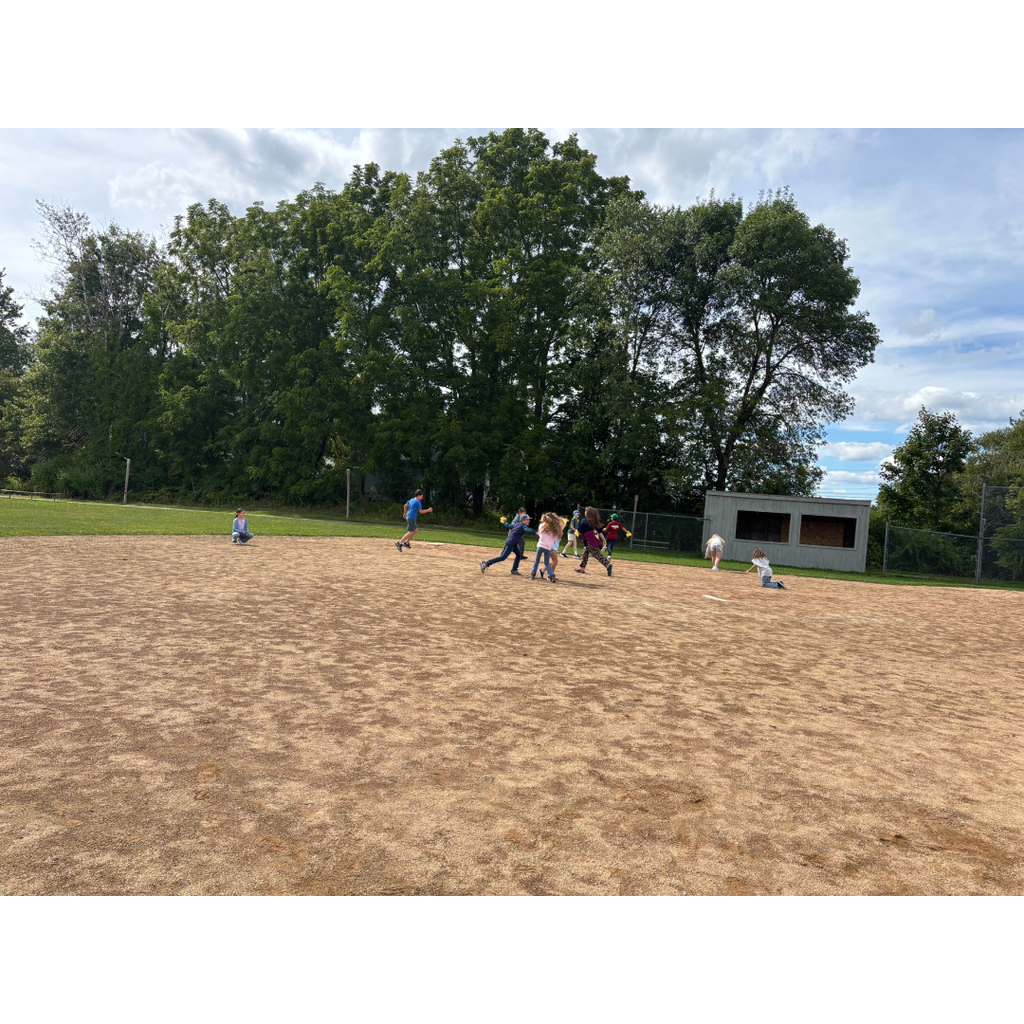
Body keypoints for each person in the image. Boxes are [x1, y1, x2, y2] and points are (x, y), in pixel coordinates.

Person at [575, 506, 613, 577]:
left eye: (586, 511)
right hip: (595, 539)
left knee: (596, 554)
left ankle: (607, 565)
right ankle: (582, 568)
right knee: (585, 552)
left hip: (589, 540)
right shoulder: (595, 522)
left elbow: (580, 532)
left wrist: (577, 532)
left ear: (589, 514)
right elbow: (600, 532)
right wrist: (604, 540)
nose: (585, 512)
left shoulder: (584, 521)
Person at [530, 512, 565, 582]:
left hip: (540, 546)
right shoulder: (553, 529)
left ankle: (533, 574)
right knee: (547, 562)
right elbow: (555, 540)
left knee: (537, 561)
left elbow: (540, 534)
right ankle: (551, 575)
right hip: (548, 548)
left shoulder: (541, 525)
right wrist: (558, 536)